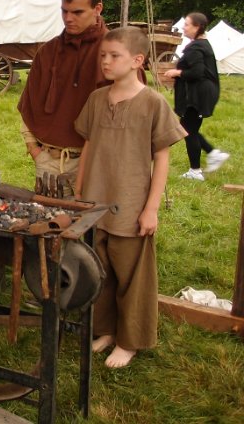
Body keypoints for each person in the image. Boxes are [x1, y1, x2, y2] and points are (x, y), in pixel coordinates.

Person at [74, 27, 186, 368]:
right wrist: (79, 193)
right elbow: (88, 146)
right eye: (103, 56)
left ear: (137, 60)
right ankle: (105, 329)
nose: (105, 61)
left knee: (132, 276)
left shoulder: (152, 102)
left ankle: (129, 340)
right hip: (96, 202)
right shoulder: (96, 99)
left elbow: (162, 157)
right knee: (99, 269)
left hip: (131, 203)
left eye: (114, 56)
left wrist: (151, 209)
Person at [17, 0, 109, 195]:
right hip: (49, 160)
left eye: (77, 12)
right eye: (64, 11)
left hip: (95, 164)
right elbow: (28, 104)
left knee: (90, 229)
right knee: (46, 226)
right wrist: (36, 152)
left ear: (98, 9)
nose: (68, 18)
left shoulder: (113, 53)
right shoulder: (48, 52)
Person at [163, 12, 229, 181]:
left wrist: (176, 72)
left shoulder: (196, 47)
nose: (184, 27)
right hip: (202, 92)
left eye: (187, 24)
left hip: (199, 95)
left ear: (197, 27)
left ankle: (197, 169)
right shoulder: (201, 44)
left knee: (187, 130)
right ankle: (211, 156)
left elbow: (197, 72)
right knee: (188, 128)